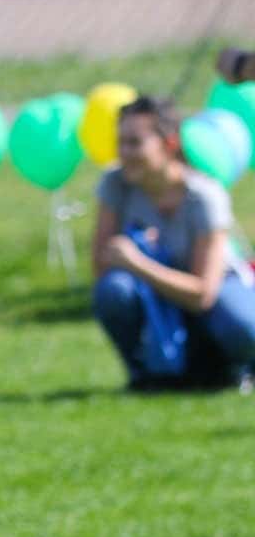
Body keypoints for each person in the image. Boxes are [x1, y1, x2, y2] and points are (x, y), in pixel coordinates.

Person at [91, 96, 255, 390]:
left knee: (244, 326)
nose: (123, 153)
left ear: (169, 144)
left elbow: (203, 294)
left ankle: (235, 369)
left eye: (135, 143)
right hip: (154, 291)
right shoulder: (115, 183)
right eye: (120, 142)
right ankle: (144, 375)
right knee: (114, 290)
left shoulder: (204, 195)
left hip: (215, 291)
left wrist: (138, 262)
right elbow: (100, 266)